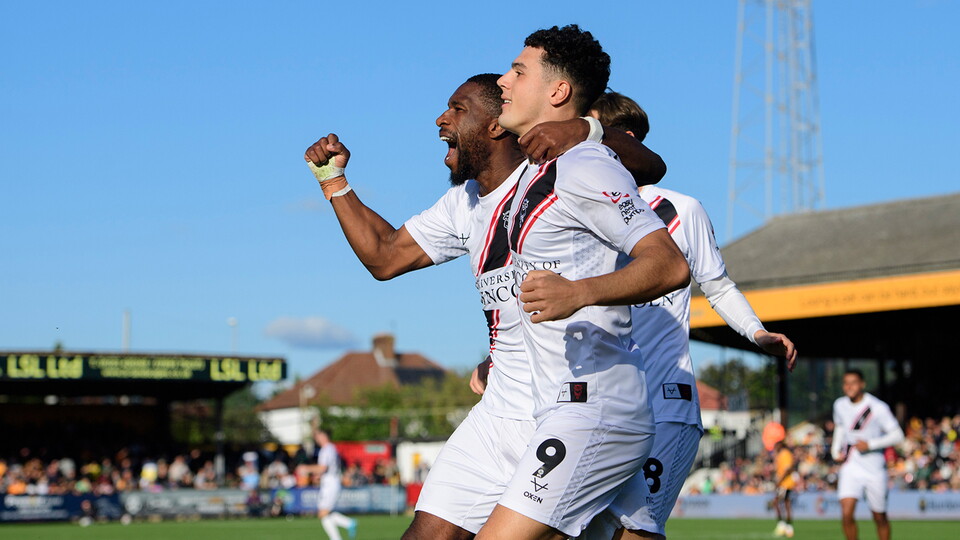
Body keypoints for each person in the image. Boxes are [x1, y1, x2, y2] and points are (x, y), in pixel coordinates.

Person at [304, 73, 666, 540]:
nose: (441, 119)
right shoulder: (464, 202)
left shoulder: (560, 173)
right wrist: (334, 181)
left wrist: (585, 129)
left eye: (457, 109)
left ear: (496, 125)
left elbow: (652, 166)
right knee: (426, 533)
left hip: (581, 401)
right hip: (502, 412)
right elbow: (385, 254)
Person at [476, 25, 690, 540]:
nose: (503, 81)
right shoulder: (536, 169)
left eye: (518, 71)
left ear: (557, 92)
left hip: (592, 410)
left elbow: (669, 265)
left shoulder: (582, 164)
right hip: (562, 406)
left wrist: (580, 293)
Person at [560, 92, 797, 540]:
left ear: (624, 141)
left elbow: (718, 284)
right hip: (602, 403)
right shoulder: (575, 209)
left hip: (667, 402)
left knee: (638, 531)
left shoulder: (680, 208)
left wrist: (756, 331)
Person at [831, 369, 904, 540]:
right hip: (850, 466)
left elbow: (897, 435)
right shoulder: (839, 405)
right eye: (846, 383)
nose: (849, 386)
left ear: (862, 384)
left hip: (875, 468)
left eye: (853, 382)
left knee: (879, 517)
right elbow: (840, 427)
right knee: (846, 513)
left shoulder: (878, 407)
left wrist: (871, 444)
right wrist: (835, 450)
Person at [299, 428, 357, 540]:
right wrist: (319, 475)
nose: (317, 439)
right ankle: (348, 524)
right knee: (324, 513)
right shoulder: (330, 448)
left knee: (323, 513)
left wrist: (306, 468)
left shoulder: (326, 450)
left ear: (324, 436)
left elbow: (322, 468)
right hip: (329, 482)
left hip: (331, 484)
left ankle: (345, 526)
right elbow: (327, 469)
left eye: (318, 436)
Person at [772, 440, 796, 538]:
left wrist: (779, 481)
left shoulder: (785, 454)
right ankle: (787, 527)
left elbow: (787, 469)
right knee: (785, 504)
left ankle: (783, 526)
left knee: (778, 502)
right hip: (785, 483)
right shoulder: (782, 454)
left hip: (785, 484)